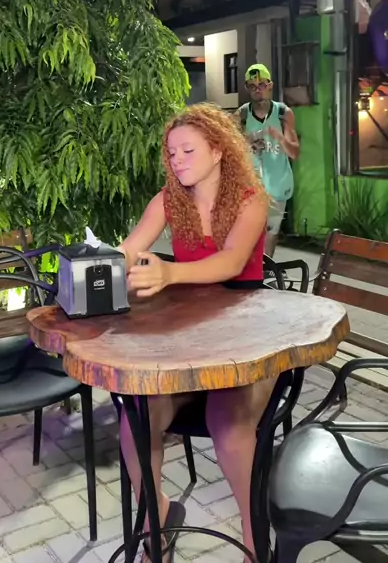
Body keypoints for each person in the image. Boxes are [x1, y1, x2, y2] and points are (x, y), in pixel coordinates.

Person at [117, 103, 271, 563]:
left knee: (227, 423)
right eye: (172, 153)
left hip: (248, 338)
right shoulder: (170, 199)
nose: (177, 160)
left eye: (188, 150)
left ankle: (256, 539)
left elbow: (231, 262)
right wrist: (99, 265)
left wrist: (168, 274)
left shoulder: (250, 199)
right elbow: (129, 248)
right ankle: (157, 519)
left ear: (219, 150)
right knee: (136, 417)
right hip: (190, 341)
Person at [237, 64, 299, 258]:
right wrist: (249, 143)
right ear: (247, 88)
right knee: (251, 233)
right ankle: (251, 269)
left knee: (271, 233)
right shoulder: (242, 115)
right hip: (251, 187)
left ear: (270, 85)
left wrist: (279, 137)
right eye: (253, 86)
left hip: (278, 185)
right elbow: (231, 149)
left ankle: (267, 269)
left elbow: (294, 153)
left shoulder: (283, 113)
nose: (258, 90)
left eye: (262, 85)